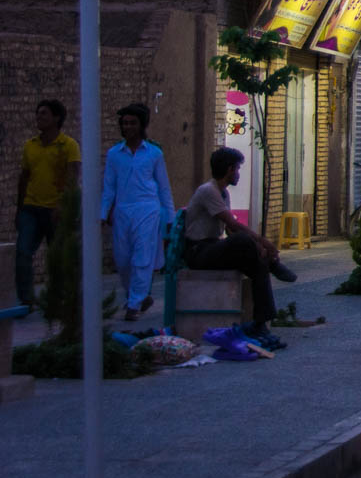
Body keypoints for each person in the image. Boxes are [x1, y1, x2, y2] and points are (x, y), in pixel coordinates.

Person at [183, 147, 297, 349]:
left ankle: (261, 323)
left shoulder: (222, 193)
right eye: (237, 169)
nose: (238, 174)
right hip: (198, 251)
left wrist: (257, 248)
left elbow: (230, 229)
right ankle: (274, 264)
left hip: (212, 248)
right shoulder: (208, 191)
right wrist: (262, 242)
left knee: (257, 262)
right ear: (229, 170)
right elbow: (234, 226)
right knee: (244, 242)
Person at [100, 103, 175, 319]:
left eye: (133, 123)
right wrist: (102, 214)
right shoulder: (114, 154)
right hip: (122, 211)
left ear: (142, 125)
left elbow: (163, 188)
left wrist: (169, 217)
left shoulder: (154, 153)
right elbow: (109, 187)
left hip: (148, 210)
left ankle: (133, 305)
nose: (128, 127)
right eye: (125, 123)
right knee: (123, 259)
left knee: (142, 257)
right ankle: (139, 295)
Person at [15, 99, 79, 312]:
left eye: (43, 114)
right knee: (23, 252)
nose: (38, 118)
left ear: (56, 118)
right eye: (38, 114)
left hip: (55, 210)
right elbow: (24, 177)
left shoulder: (68, 145)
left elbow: (72, 178)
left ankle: (59, 298)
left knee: (58, 256)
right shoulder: (30, 145)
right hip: (31, 208)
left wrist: (63, 206)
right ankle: (27, 300)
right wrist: (19, 207)